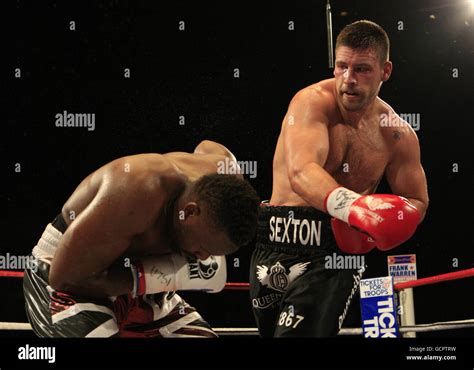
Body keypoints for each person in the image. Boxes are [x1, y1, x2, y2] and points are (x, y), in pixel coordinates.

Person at [250, 20, 429, 337]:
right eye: (342, 66)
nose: (349, 79)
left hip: (335, 256)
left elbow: (417, 201)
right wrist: (355, 207)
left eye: (362, 69)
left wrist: (382, 226)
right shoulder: (310, 103)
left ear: (385, 71)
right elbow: (301, 171)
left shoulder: (397, 134)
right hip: (273, 240)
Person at [23, 140, 260, 337]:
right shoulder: (135, 189)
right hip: (67, 273)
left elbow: (208, 146)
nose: (203, 258)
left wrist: (153, 279)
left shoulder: (225, 180)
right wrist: (153, 276)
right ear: (189, 212)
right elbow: (63, 278)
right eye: (203, 247)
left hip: (136, 286)